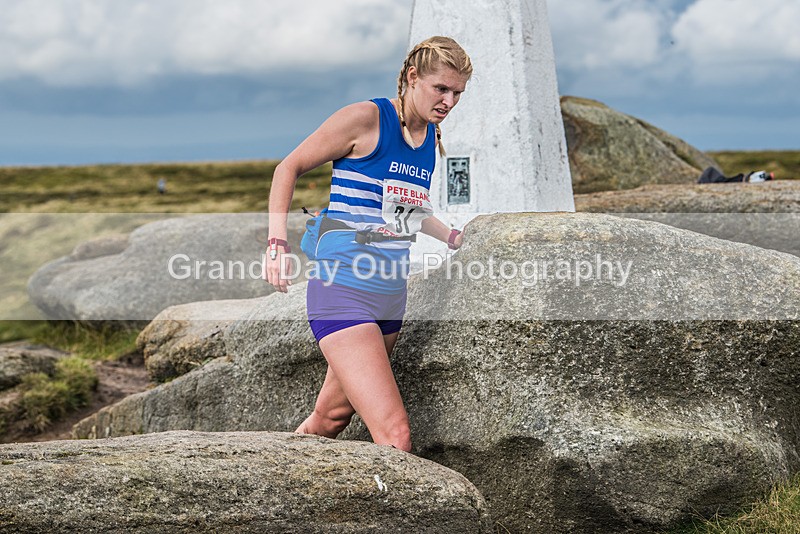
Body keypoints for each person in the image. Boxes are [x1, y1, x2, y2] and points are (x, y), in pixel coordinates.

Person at [264, 36, 472, 453]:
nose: (449, 101)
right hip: (345, 292)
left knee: (329, 419)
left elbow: (406, 211)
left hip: (390, 299)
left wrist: (452, 237)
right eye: (441, 89)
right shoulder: (366, 118)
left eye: (457, 93)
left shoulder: (430, 137)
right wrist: (276, 244)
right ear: (412, 77)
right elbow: (288, 168)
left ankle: (272, 485)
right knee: (396, 438)